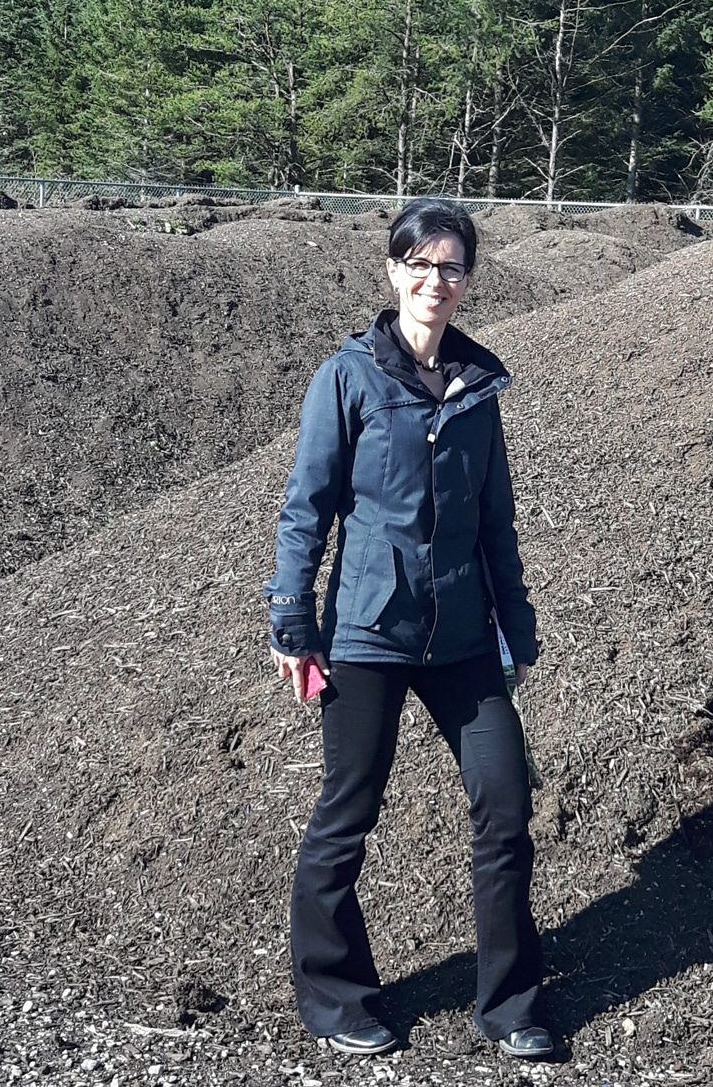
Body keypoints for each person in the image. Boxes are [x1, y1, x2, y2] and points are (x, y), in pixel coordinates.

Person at [264, 197, 554, 1062]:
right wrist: (293, 621)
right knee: (348, 811)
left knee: (504, 803)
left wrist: (518, 622)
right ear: (393, 270)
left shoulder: (478, 385)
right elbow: (305, 509)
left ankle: (509, 1003)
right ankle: (334, 992)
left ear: (469, 279)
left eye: (452, 266)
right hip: (366, 633)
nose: (436, 281)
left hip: (464, 634)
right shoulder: (348, 377)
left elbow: (495, 518)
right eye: (419, 264)